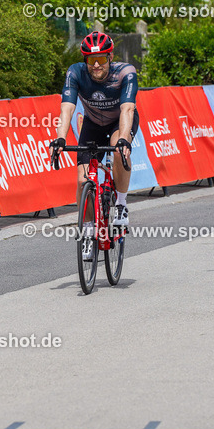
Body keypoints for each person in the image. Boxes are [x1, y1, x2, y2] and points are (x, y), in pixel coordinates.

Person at [50, 31, 138, 260]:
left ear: (110, 57)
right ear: (84, 60)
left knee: (117, 149)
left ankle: (120, 204)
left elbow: (127, 109)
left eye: (100, 59)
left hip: (120, 122)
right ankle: (88, 235)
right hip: (93, 124)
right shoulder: (75, 72)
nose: (96, 65)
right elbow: (66, 108)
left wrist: (123, 140)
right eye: (91, 59)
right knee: (82, 180)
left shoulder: (125, 73)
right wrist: (60, 138)